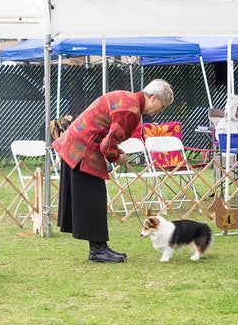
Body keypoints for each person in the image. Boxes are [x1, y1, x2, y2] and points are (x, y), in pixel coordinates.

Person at [52, 79, 174, 263]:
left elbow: (107, 134)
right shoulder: (131, 111)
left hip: (76, 145)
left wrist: (116, 151)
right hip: (83, 150)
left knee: (94, 200)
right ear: (154, 98)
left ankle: (100, 247)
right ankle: (97, 251)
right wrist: (117, 157)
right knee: (94, 200)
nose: (160, 110)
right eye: (162, 106)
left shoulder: (129, 99)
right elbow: (107, 145)